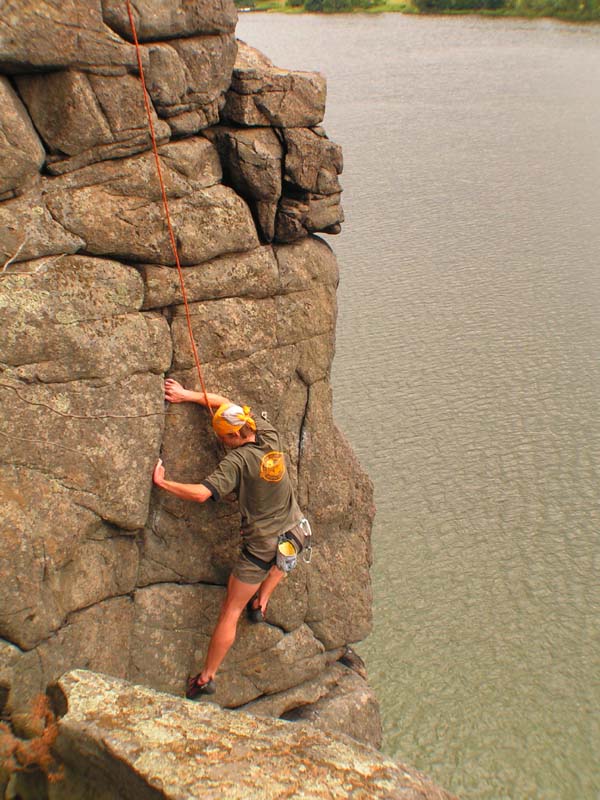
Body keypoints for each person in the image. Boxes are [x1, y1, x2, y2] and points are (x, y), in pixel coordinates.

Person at [152, 378, 310, 699]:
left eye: (222, 436)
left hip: (261, 549)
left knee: (230, 611)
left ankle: (207, 677)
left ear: (235, 435)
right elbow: (226, 402)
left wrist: (163, 483)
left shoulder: (236, 462)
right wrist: (186, 396)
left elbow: (200, 494)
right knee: (284, 558)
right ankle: (263, 600)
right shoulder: (267, 433)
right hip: (296, 531)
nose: (220, 441)